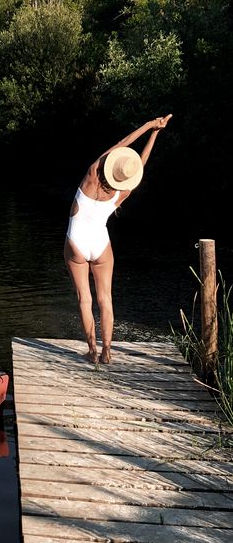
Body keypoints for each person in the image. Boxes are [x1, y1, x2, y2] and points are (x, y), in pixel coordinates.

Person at [64, 115, 172, 365]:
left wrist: (148, 126)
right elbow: (140, 167)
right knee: (106, 299)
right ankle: (108, 352)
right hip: (101, 243)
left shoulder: (91, 176)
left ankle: (91, 351)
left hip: (77, 243)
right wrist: (156, 134)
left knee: (85, 299)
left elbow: (123, 143)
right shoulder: (121, 193)